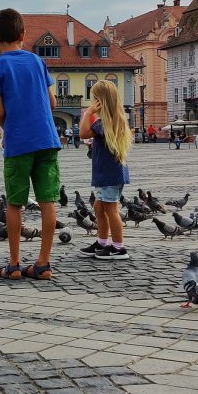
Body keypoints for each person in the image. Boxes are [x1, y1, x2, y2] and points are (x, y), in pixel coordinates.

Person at [0, 8, 61, 281]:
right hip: (48, 140)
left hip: (18, 143)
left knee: (15, 203)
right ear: (24, 35)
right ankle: (43, 263)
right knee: (47, 200)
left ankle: (14, 265)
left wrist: (9, 129)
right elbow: (53, 103)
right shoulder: (38, 62)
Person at [78, 80, 132, 261]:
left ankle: (118, 247)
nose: (93, 102)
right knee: (99, 207)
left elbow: (83, 133)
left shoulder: (105, 123)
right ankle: (102, 242)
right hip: (107, 174)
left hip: (109, 175)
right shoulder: (111, 121)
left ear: (101, 100)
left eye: (95, 99)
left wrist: (88, 112)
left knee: (111, 209)